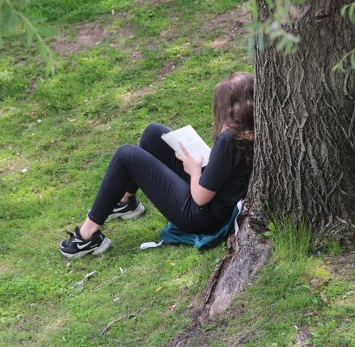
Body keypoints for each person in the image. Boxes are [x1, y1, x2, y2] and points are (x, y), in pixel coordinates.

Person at [60, 72, 255, 258]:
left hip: (202, 217)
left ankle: (87, 237)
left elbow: (201, 198)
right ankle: (125, 204)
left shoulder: (229, 139)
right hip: (214, 202)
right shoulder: (250, 132)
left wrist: (195, 171)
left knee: (125, 154)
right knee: (154, 134)